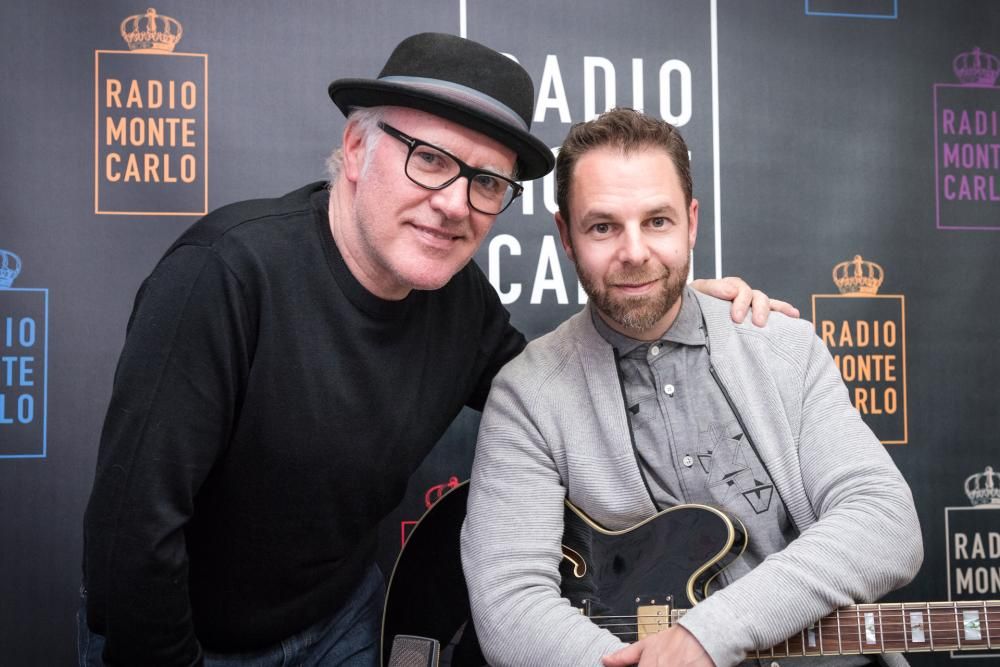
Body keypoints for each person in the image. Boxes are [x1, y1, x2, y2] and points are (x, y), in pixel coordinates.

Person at [80, 33, 793, 667]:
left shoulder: (461, 303)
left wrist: (668, 302)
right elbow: (132, 544)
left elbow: (562, 386)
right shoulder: (224, 277)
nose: (455, 203)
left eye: (486, 181)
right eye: (428, 159)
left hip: (342, 622)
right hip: (182, 634)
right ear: (356, 150)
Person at [460, 108, 923, 667]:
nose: (635, 252)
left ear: (692, 222)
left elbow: (885, 523)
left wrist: (709, 634)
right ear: (566, 236)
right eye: (603, 226)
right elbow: (510, 608)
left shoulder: (784, 346)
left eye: (658, 221)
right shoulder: (528, 394)